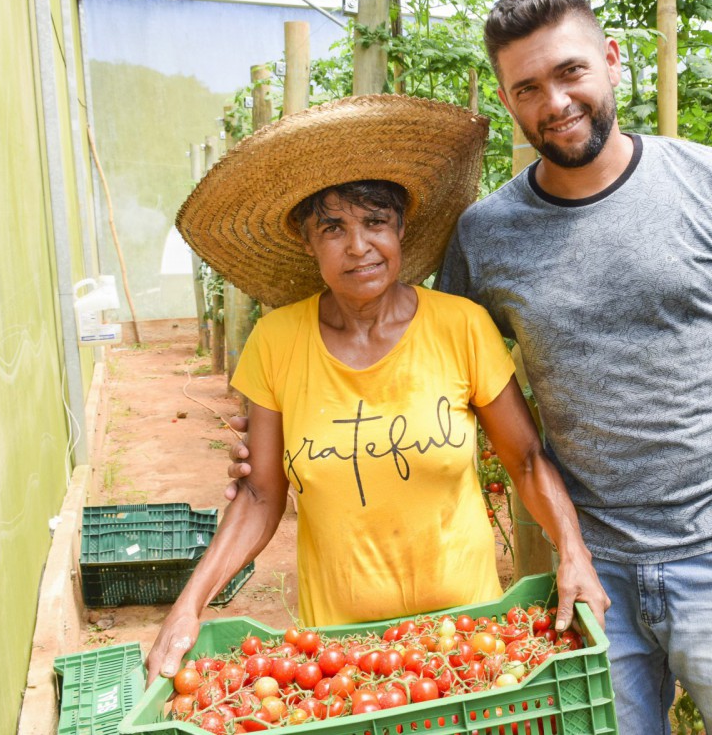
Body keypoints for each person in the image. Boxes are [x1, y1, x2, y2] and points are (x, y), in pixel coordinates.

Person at [229, 0, 712, 731]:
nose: (554, 101)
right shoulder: (487, 235)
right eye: (527, 88)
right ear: (509, 101)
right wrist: (291, 440)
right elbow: (428, 362)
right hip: (588, 566)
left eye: (570, 72)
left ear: (613, 62)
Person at [147, 94, 608, 685]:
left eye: (375, 222)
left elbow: (525, 459)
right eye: (332, 228)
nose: (358, 246)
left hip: (466, 643)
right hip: (344, 663)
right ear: (307, 243)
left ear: (401, 229)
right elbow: (262, 496)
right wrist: (189, 607)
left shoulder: (459, 326)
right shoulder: (276, 342)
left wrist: (575, 551)